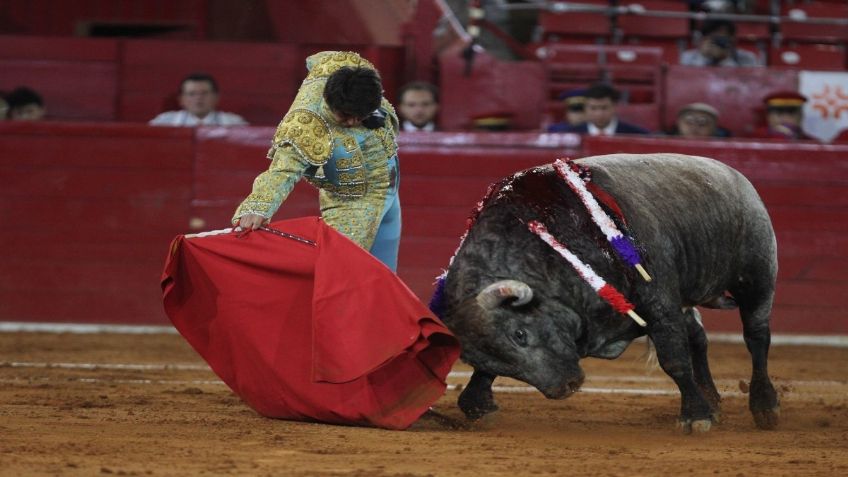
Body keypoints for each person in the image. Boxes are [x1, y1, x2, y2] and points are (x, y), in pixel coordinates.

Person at [233, 51, 402, 271]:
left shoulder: (348, 68)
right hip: (353, 205)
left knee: (385, 275)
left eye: (360, 116)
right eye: (345, 115)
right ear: (329, 100)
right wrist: (258, 207)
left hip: (391, 190)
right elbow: (283, 170)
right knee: (341, 276)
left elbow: (316, 58)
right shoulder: (305, 123)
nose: (352, 122)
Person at [150, 72, 248, 127]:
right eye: (191, 94)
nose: (198, 98)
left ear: (216, 98)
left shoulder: (234, 123)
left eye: (204, 93)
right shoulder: (164, 122)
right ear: (181, 100)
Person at [555, 83, 650, 136]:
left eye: (604, 108)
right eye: (593, 108)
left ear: (615, 107)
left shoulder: (637, 135)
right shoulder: (571, 135)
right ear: (585, 108)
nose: (599, 114)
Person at [681, 20, 761, 67]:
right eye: (714, 38)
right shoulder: (689, 57)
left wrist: (725, 59)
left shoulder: (747, 58)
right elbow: (689, 81)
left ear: (732, 39)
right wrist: (703, 57)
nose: (717, 42)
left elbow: (745, 84)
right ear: (704, 39)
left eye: (722, 38)